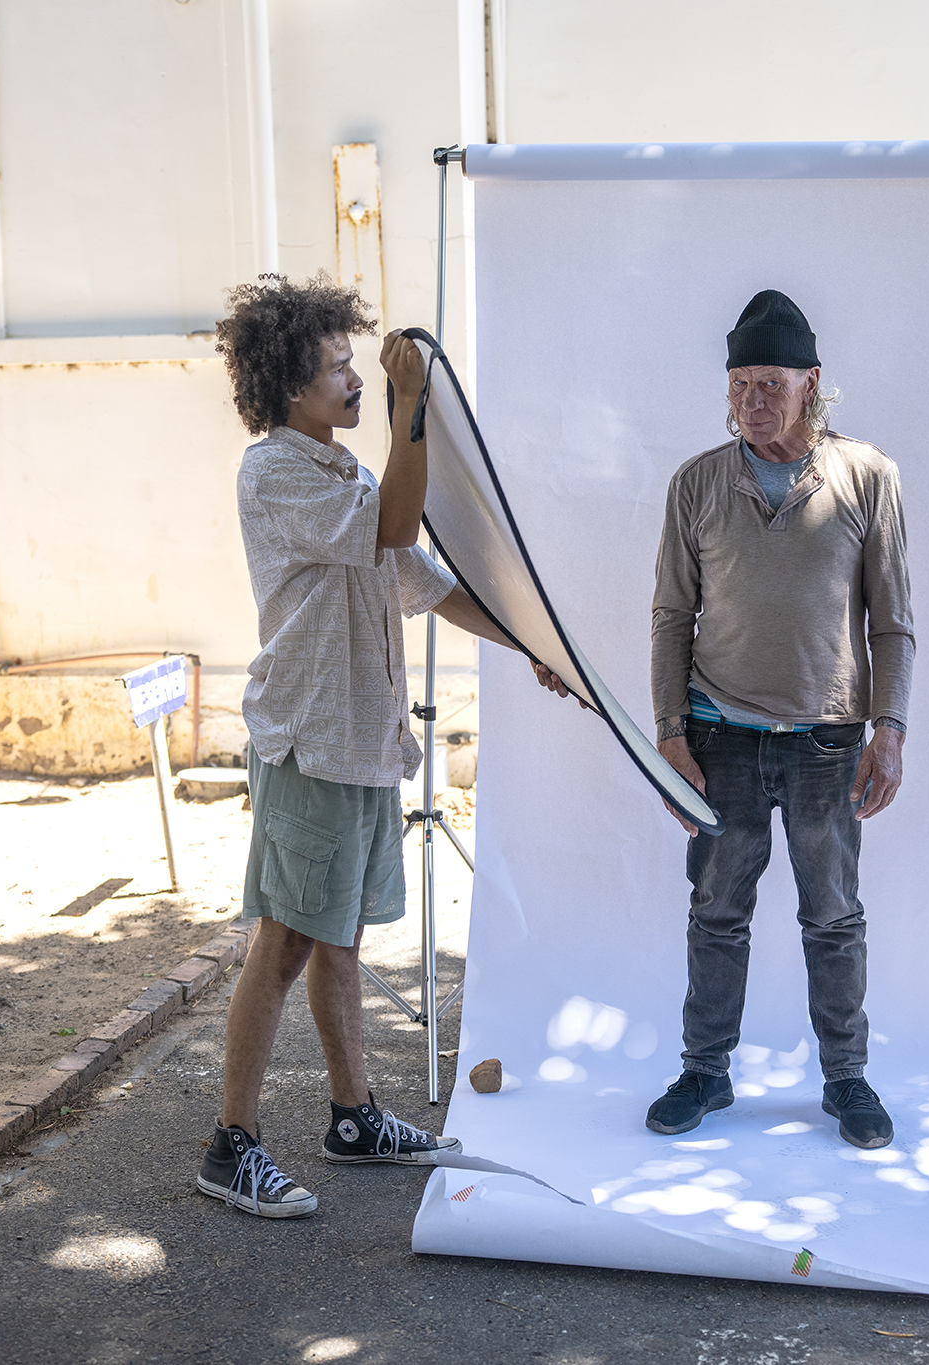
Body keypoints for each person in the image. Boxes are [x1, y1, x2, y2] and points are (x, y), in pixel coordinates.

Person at [202, 275, 567, 1218]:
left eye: (358, 364)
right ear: (290, 386)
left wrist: (530, 645)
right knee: (283, 941)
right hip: (308, 742)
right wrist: (412, 409)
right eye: (339, 367)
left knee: (340, 937)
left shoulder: (348, 473)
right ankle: (230, 1141)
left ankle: (352, 1114)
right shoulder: (275, 472)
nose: (357, 378)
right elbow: (398, 524)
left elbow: (426, 580)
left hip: (364, 743)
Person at [645, 288, 914, 1150]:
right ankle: (705, 1070)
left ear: (812, 384)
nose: (754, 398)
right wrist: (668, 732)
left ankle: (847, 1079)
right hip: (718, 734)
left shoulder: (866, 476)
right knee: (717, 908)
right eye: (741, 382)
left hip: (826, 742)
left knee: (833, 914)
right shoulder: (696, 485)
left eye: (772, 381)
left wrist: (891, 727)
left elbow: (892, 619)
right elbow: (669, 617)